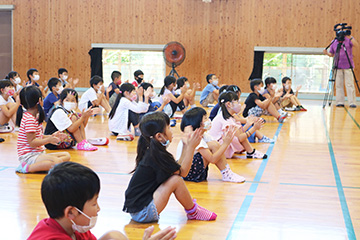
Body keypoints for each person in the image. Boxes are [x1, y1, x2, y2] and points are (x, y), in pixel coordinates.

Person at [28, 162, 177, 240]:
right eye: (94, 203)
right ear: (71, 212)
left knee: (114, 236)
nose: (98, 209)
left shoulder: (74, 228)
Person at [123, 112, 217, 223]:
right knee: (176, 180)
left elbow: (178, 169)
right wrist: (192, 147)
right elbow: (183, 173)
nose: (171, 131)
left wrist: (186, 146)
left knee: (175, 178)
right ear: (159, 136)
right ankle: (193, 212)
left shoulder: (154, 151)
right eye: (168, 128)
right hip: (143, 213)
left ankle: (193, 209)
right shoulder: (156, 155)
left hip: (138, 211)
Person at [177, 107, 246, 183]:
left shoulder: (204, 135)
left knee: (214, 144)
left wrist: (225, 141)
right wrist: (226, 143)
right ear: (197, 122)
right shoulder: (194, 137)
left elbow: (217, 148)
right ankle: (226, 173)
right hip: (188, 173)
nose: (209, 120)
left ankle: (227, 172)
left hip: (194, 170)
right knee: (213, 145)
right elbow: (213, 159)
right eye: (205, 118)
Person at [15, 86, 70, 173]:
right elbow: (32, 142)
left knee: (66, 155)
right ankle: (26, 168)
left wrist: (52, 136)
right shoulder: (29, 119)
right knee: (57, 162)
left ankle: (41, 165)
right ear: (40, 100)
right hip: (29, 156)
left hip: (37, 153)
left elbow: (38, 136)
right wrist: (49, 140)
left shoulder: (32, 117)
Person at [208, 91, 267, 159]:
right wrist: (254, 128)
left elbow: (238, 132)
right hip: (218, 149)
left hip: (220, 146)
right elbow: (240, 137)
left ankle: (250, 151)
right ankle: (251, 152)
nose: (239, 104)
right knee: (240, 137)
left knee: (238, 135)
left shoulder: (228, 116)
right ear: (229, 104)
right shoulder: (225, 120)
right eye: (237, 102)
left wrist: (248, 124)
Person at [323, 26, 359, 108]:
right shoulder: (334, 41)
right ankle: (340, 102)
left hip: (348, 66)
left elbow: (356, 45)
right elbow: (332, 54)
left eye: (342, 29)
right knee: (339, 85)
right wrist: (326, 53)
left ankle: (352, 102)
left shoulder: (348, 40)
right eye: (338, 30)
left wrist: (350, 36)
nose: (340, 31)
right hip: (337, 66)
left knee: (349, 84)